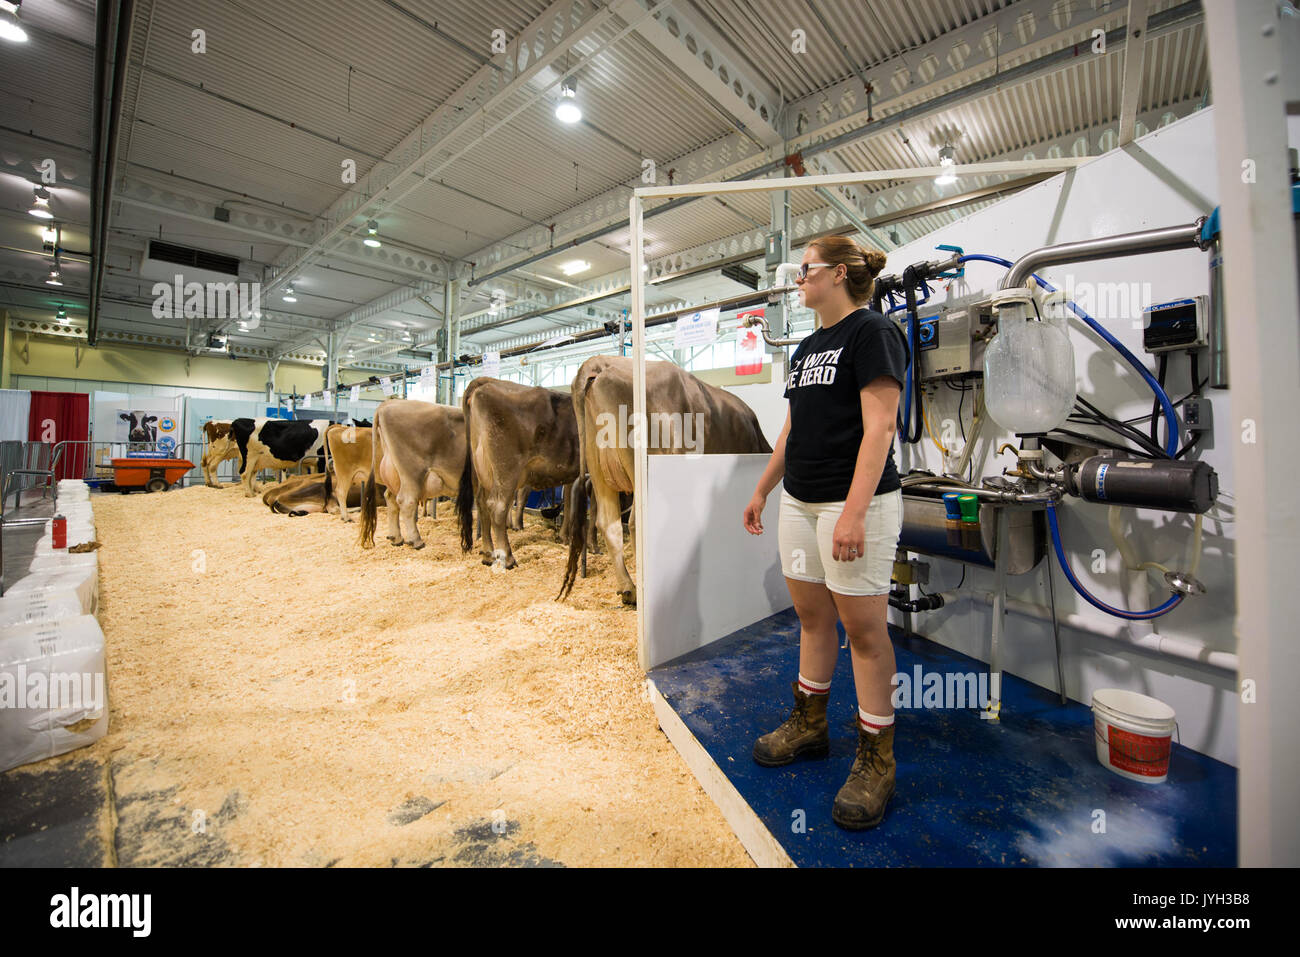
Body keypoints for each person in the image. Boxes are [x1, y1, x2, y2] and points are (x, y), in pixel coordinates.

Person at [742, 236, 909, 830]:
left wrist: (855, 512)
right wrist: (763, 488)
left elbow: (880, 427)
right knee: (813, 619)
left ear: (838, 274)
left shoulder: (873, 333)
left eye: (805, 270)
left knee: (864, 633)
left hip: (851, 502)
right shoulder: (808, 346)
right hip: (801, 501)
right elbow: (791, 431)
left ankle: (876, 761)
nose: (797, 279)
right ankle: (811, 726)